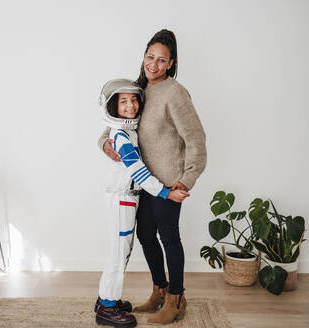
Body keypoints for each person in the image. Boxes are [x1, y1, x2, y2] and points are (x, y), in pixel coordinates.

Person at [98, 30, 207, 325]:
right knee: (146, 235)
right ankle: (159, 290)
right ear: (144, 56)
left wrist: (188, 178)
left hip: (169, 182)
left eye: (161, 60)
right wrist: (106, 145)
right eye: (150, 57)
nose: (154, 65)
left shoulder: (175, 92)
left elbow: (196, 138)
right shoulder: (137, 88)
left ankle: (176, 298)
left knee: (169, 237)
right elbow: (112, 126)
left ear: (171, 63)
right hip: (143, 183)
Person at [95, 79, 190, 328]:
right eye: (123, 102)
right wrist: (166, 193)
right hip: (122, 197)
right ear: (113, 106)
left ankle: (107, 298)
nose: (131, 106)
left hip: (128, 199)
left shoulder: (128, 133)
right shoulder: (121, 137)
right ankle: (107, 306)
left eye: (134, 100)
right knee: (118, 253)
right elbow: (139, 172)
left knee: (122, 251)